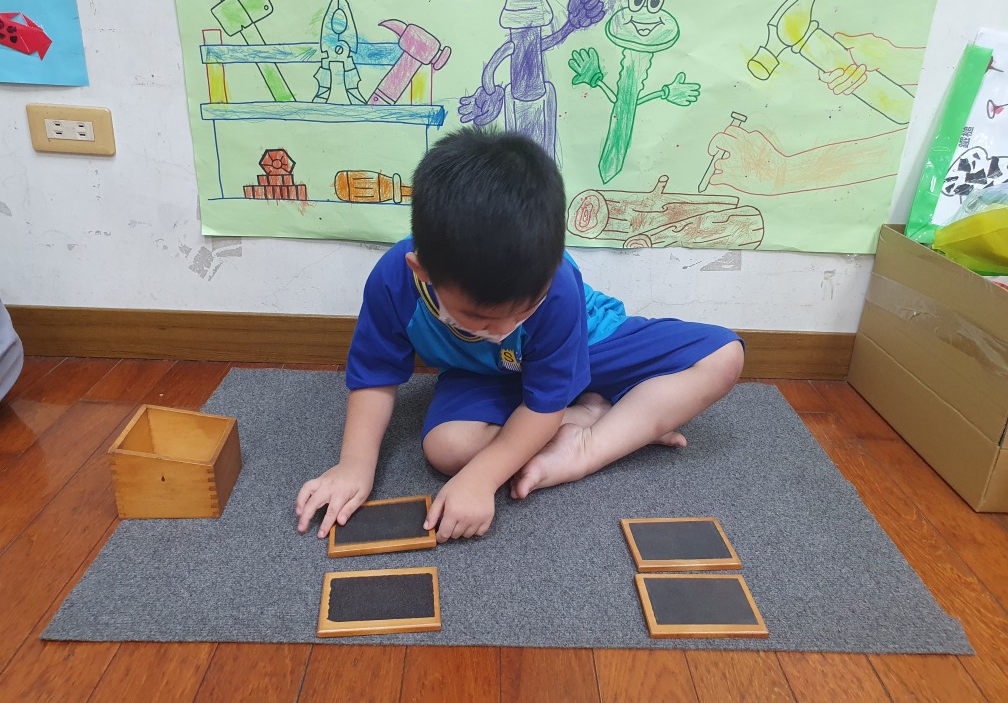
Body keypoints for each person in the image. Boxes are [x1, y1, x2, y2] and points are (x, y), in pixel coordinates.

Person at [295, 128, 744, 543]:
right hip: (485, 375)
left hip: (589, 342)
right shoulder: (394, 279)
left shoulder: (559, 288)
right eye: (478, 317)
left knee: (724, 356)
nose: (504, 330)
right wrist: (354, 466)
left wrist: (482, 478)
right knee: (446, 449)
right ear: (423, 272)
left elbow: (542, 405)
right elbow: (375, 377)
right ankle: (604, 416)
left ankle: (588, 446)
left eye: (524, 310)